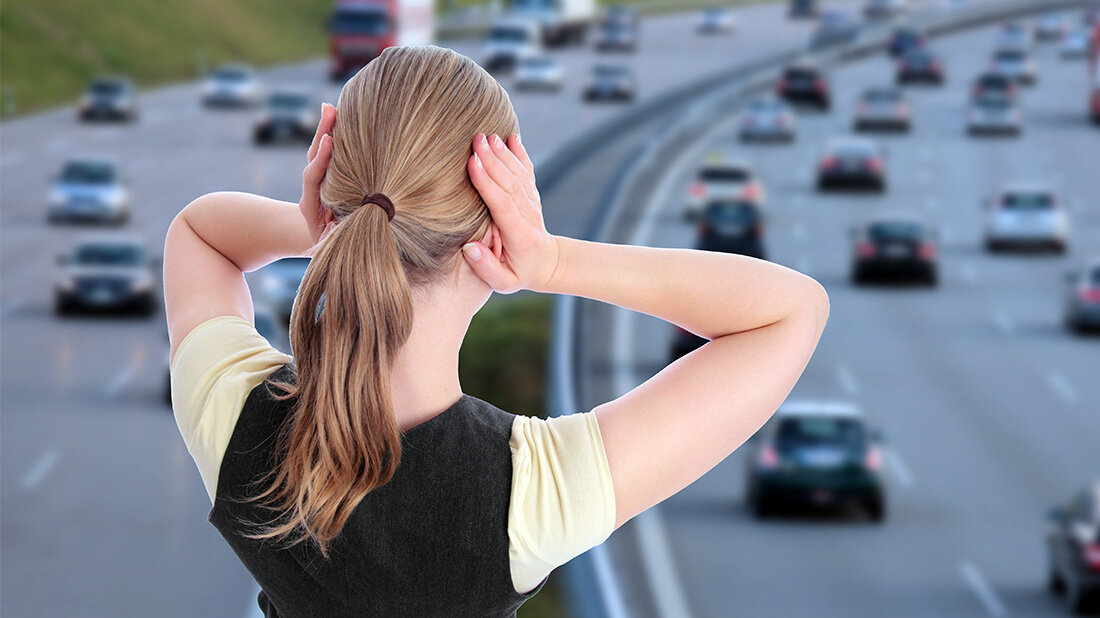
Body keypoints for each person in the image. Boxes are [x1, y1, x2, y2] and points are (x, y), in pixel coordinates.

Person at [164, 45, 828, 617]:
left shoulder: (234, 422)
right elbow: (789, 310)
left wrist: (320, 229)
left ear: (333, 197)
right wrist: (552, 259)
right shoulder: (525, 499)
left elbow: (198, 233)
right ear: (494, 226)